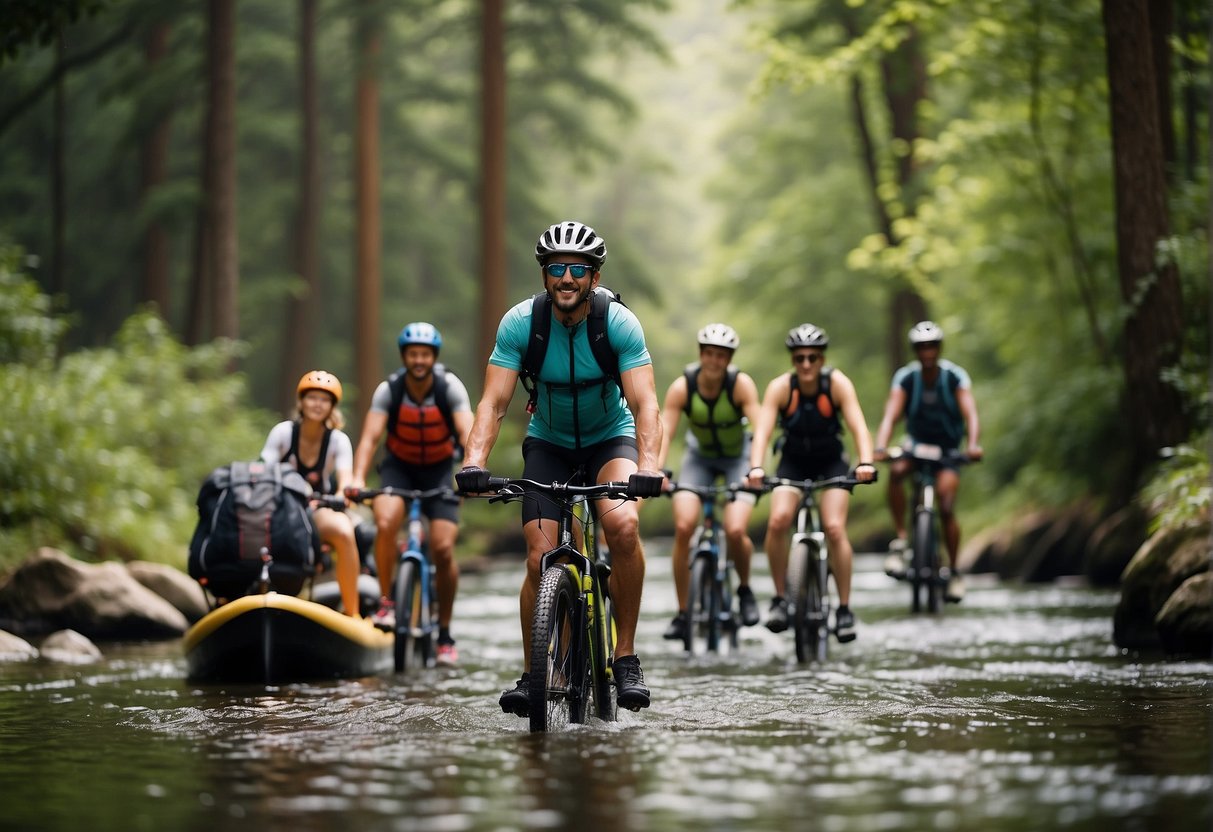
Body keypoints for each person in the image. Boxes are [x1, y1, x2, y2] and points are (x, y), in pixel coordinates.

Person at [455, 219, 664, 717]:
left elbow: (645, 402)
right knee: (539, 558)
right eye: (556, 269)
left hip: (608, 439)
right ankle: (536, 672)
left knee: (624, 525)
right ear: (545, 276)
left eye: (577, 269)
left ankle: (625, 656)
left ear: (593, 277)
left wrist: (650, 464)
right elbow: (493, 403)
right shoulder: (521, 324)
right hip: (548, 443)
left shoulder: (617, 323)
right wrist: (474, 462)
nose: (566, 278)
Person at [348, 322, 473, 666]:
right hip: (398, 469)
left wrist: (472, 470)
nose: (419, 360)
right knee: (386, 522)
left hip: (439, 471)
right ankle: (388, 602)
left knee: (444, 549)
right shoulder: (390, 389)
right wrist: (358, 477)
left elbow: (467, 433)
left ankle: (445, 634)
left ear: (434, 357)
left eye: (425, 354)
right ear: (405, 357)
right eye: (413, 354)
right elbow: (370, 439)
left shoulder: (449, 387)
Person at [746, 324, 876, 642]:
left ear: (822, 359)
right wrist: (756, 468)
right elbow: (762, 432)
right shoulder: (781, 388)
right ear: (793, 360)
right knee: (777, 522)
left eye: (813, 358)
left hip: (831, 462)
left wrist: (866, 462)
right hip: (792, 462)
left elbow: (858, 426)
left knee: (833, 528)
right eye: (800, 358)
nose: (806, 364)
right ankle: (780, 599)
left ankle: (844, 609)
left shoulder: (837, 384)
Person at [656, 323, 763, 641]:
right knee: (685, 527)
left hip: (737, 461)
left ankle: (744, 590)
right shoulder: (682, 387)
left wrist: (756, 469)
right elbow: (665, 431)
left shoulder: (741, 386)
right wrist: (657, 469)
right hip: (698, 460)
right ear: (701, 355)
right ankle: (683, 612)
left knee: (735, 529)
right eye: (710, 354)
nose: (715, 361)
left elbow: (760, 430)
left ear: (729, 360)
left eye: (722, 356)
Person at [873, 320, 983, 602]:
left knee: (946, 506)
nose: (927, 352)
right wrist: (881, 446)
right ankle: (900, 541)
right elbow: (891, 415)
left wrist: (972, 446)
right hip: (916, 446)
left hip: (948, 450)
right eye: (922, 347)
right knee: (897, 472)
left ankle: (955, 572)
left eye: (932, 346)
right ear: (915, 351)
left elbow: (970, 413)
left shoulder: (954, 377)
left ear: (939, 348)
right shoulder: (907, 378)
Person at [260, 371, 361, 617]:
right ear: (301, 402)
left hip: (317, 511)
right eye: (312, 398)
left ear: (332, 407)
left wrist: (342, 495)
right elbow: (263, 472)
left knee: (344, 531)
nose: (317, 404)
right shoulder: (282, 433)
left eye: (324, 400)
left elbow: (344, 481)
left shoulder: (338, 441)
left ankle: (352, 612)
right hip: (279, 510)